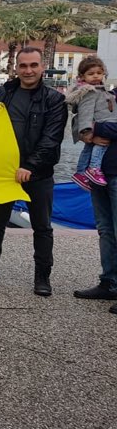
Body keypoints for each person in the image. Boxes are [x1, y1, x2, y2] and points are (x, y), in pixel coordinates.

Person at [0, 46, 66, 296]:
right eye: (23, 65)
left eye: (33, 65)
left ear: (42, 67)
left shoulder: (55, 100)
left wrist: (30, 166)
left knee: (42, 227)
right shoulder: (4, 94)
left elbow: (52, 139)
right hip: (5, 173)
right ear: (16, 67)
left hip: (38, 174)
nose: (28, 70)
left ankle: (42, 277)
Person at [75, 117, 117, 312]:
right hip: (98, 175)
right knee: (105, 230)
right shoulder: (106, 97)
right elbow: (78, 121)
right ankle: (109, 283)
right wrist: (86, 134)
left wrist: (96, 127)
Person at [66, 56, 115, 190]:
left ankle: (81, 172)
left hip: (97, 124)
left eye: (99, 73)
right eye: (91, 74)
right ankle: (93, 168)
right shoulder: (90, 91)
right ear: (82, 76)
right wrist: (87, 131)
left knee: (89, 148)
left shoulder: (100, 89)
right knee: (100, 144)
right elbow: (85, 112)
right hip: (97, 126)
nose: (95, 76)